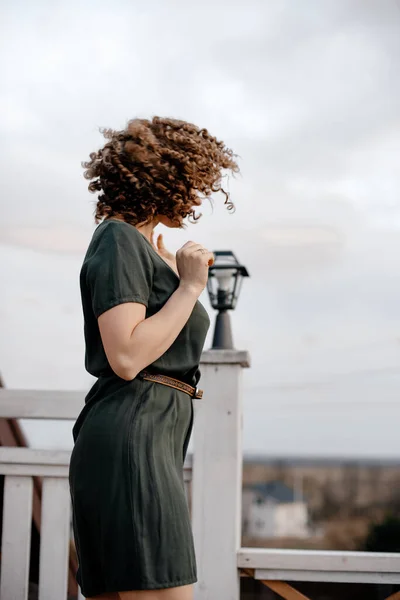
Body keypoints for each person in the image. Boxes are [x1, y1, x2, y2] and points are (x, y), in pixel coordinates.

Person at [69, 117, 239, 600]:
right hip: (133, 436)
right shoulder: (119, 238)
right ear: (166, 179)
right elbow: (125, 355)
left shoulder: (140, 245)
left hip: (146, 436)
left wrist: (171, 278)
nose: (198, 197)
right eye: (195, 184)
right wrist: (188, 287)